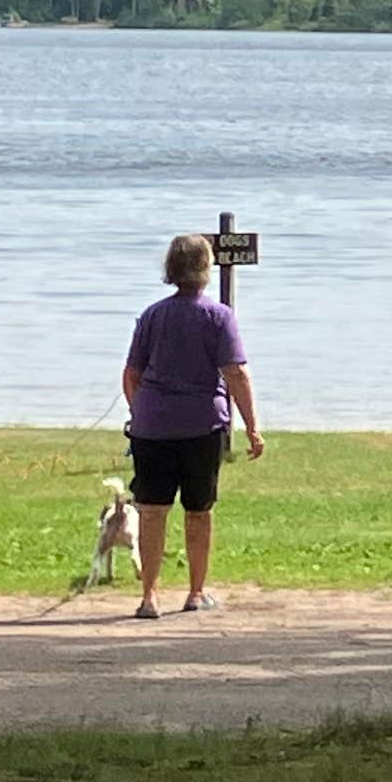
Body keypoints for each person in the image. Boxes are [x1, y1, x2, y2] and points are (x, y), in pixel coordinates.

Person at [118, 231, 260, 618]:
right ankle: (196, 591)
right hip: (202, 427)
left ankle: (149, 596)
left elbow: (131, 374)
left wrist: (141, 411)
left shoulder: (152, 315)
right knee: (198, 511)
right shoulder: (218, 317)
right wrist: (251, 427)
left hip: (152, 429)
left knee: (152, 510)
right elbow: (236, 374)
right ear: (205, 268)